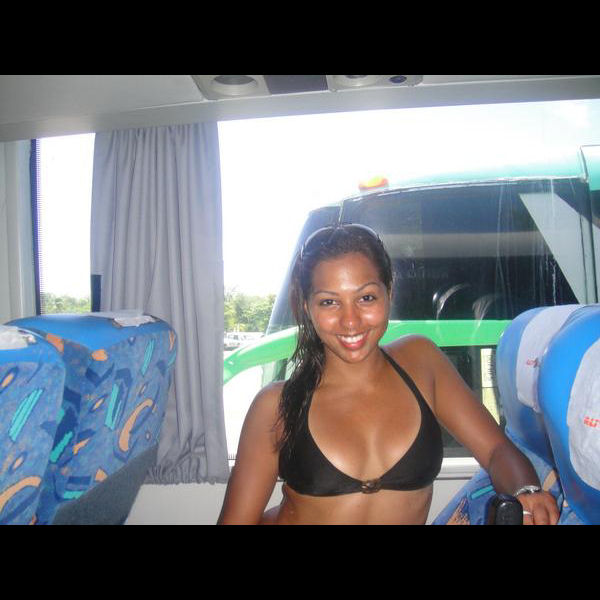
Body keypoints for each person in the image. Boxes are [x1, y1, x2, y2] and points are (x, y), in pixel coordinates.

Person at [217, 223, 560, 525]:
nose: (350, 321)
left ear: (389, 293)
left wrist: (527, 491)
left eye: (366, 297)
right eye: (329, 302)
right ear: (306, 307)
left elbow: (496, 449)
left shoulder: (422, 362)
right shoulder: (275, 405)